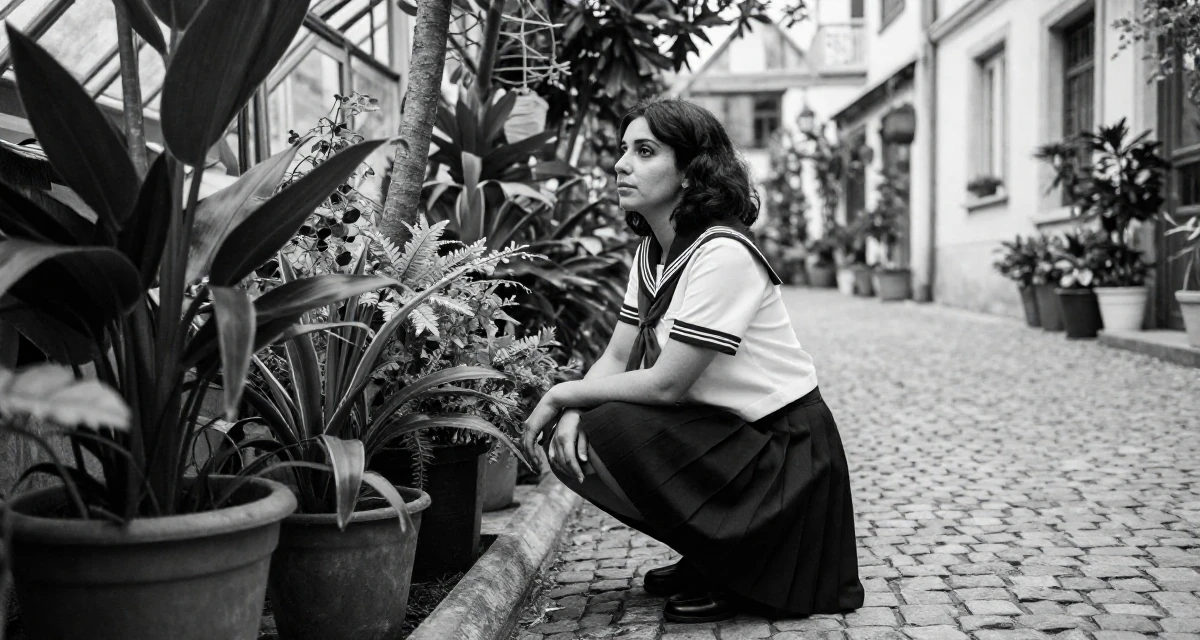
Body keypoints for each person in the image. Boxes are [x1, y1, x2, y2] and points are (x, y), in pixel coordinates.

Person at [520, 98, 864, 623]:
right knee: (578, 436)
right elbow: (616, 356)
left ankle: (741, 563)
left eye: (645, 151)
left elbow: (666, 386)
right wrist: (570, 413)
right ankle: (714, 550)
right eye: (622, 150)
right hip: (730, 435)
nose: (620, 164)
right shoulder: (652, 253)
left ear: (689, 171)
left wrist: (562, 393)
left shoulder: (723, 251)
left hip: (783, 452)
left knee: (607, 424)